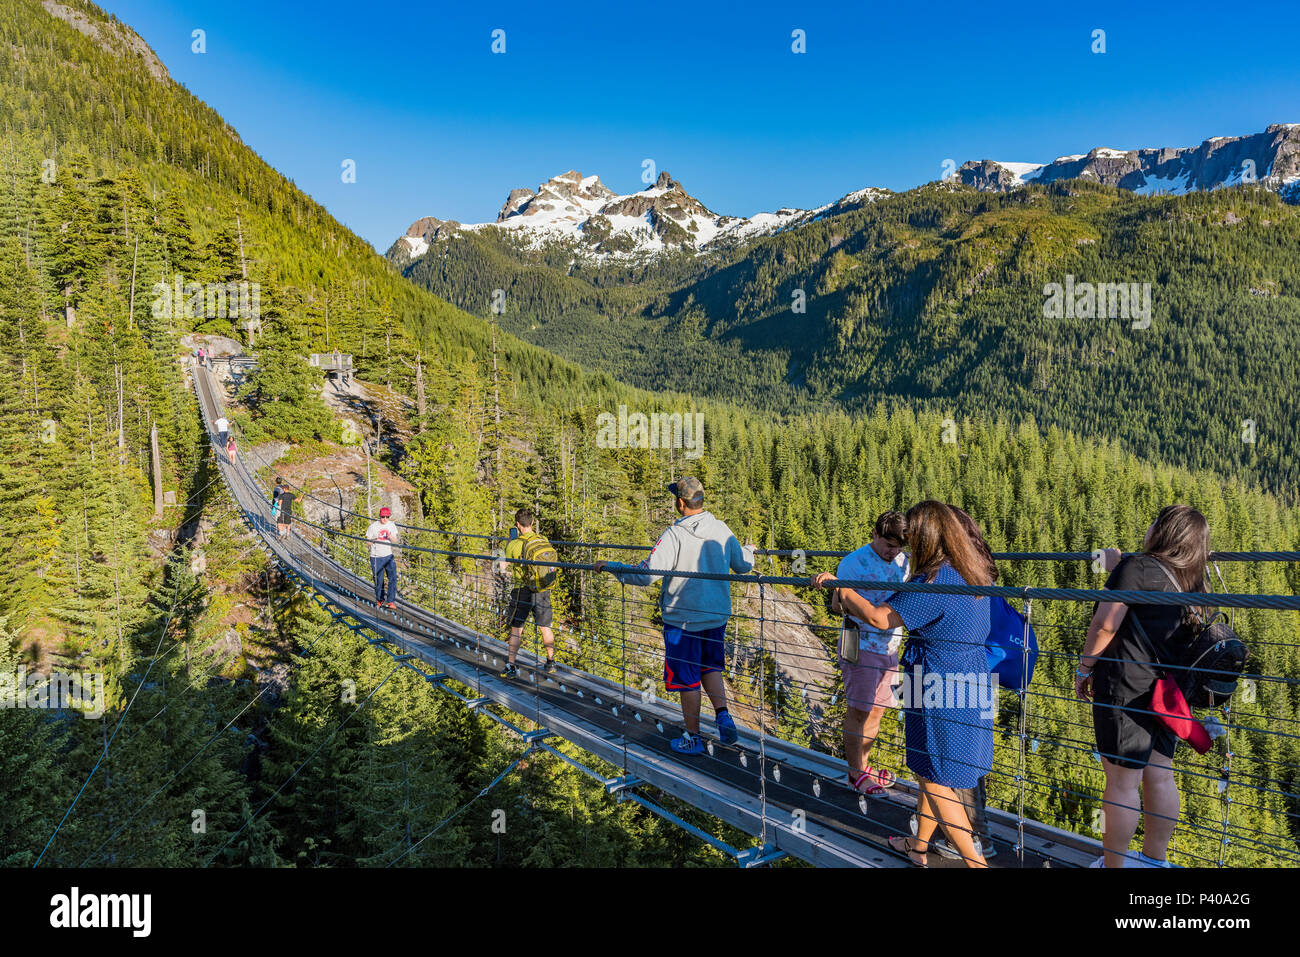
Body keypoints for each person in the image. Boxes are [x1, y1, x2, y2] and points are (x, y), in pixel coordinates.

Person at [813, 500, 994, 868]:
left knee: (935, 778)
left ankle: (976, 865)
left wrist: (843, 591)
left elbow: (882, 618)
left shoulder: (934, 579)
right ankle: (919, 846)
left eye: (912, 537)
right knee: (930, 769)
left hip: (935, 678)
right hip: (973, 673)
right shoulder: (972, 569)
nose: (908, 544)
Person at [1076, 504, 1210, 869]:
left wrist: (1085, 667)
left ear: (1163, 532)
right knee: (1160, 774)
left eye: (1154, 521)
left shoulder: (1136, 568)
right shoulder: (1195, 579)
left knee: (1121, 783)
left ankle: (1113, 866)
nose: (1148, 525)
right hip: (1168, 694)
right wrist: (1119, 567)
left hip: (1126, 687)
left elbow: (1106, 623)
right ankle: (1155, 861)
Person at [594, 477, 755, 755]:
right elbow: (741, 565)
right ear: (701, 500)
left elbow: (648, 575)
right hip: (716, 617)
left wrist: (614, 567)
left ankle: (693, 738)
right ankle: (723, 715)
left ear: (681, 503)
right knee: (711, 667)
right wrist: (750, 553)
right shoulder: (722, 529)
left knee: (687, 679)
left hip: (682, 621)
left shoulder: (674, 535)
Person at [831, 511, 909, 796]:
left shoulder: (904, 561)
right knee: (859, 709)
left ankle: (865, 767)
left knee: (878, 710)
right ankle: (856, 774)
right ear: (875, 534)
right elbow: (837, 605)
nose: (894, 552)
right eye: (889, 544)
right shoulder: (853, 563)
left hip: (891, 647)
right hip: (860, 644)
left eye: (899, 546)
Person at [497, 509, 557, 678]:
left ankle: (511, 665)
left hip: (522, 590)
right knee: (545, 627)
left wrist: (508, 544)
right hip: (543, 589)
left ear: (517, 525)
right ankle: (551, 662)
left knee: (517, 629)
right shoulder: (543, 539)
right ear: (531, 523)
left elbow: (502, 568)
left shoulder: (514, 545)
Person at [365, 506, 400, 609]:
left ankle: (390, 601)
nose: (385, 519)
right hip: (376, 557)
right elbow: (367, 543)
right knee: (378, 580)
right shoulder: (373, 527)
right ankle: (380, 600)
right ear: (379, 516)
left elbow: (395, 541)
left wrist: (391, 537)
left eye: (387, 517)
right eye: (383, 517)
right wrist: (374, 539)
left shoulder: (391, 525)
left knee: (393, 578)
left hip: (388, 556)